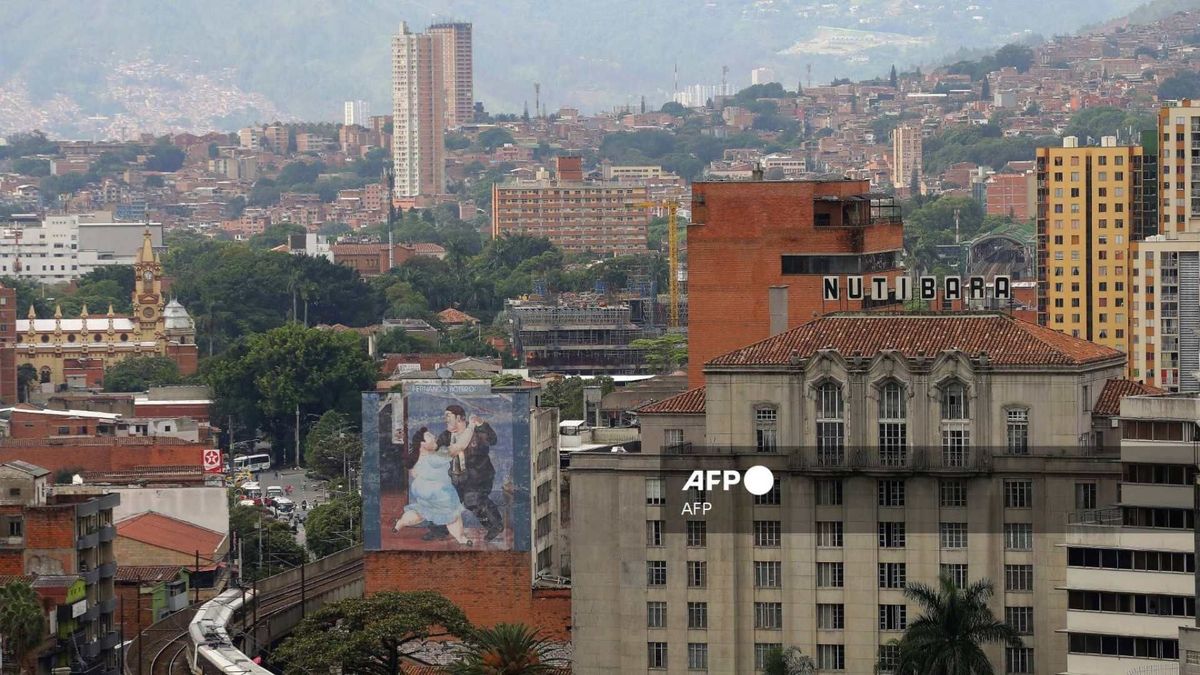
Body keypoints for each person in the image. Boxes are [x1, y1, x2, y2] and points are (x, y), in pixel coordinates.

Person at [392, 427, 472, 546]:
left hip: (421, 490)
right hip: (439, 493)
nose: (434, 437)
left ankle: (400, 523)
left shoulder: (417, 459)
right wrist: (471, 426)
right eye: (430, 436)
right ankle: (461, 538)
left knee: (421, 512)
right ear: (422, 444)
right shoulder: (436, 457)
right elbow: (460, 446)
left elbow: (414, 473)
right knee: (452, 514)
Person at [435, 404, 503, 542]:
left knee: (472, 499)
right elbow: (436, 450)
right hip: (456, 477)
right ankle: (438, 530)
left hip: (478, 476)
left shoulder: (476, 432)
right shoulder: (446, 435)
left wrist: (482, 424)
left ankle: (495, 525)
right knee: (443, 500)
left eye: (448, 416)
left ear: (459, 418)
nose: (445, 419)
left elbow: (493, 440)